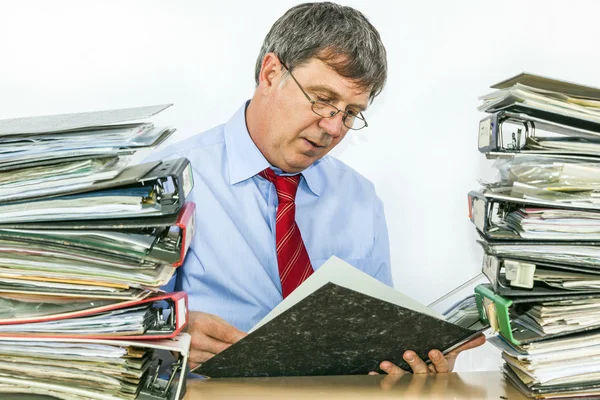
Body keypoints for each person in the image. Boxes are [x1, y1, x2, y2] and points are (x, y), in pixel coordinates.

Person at [149, 1, 485, 374]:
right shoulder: (166, 181)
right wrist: (165, 332)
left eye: (351, 113)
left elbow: (378, 340)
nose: (334, 128)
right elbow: (105, 326)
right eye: (323, 101)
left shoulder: (359, 199)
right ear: (271, 73)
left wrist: (409, 363)